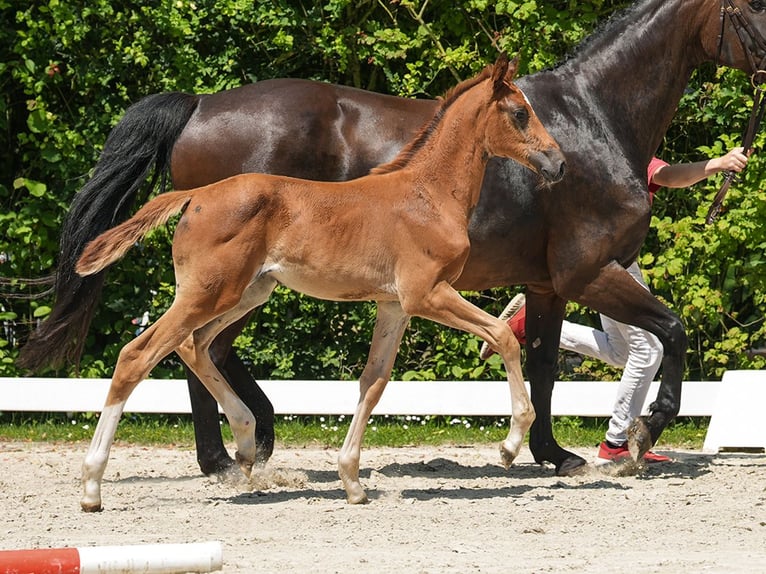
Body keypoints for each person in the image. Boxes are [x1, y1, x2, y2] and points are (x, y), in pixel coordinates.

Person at [479, 147, 751, 465]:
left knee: (623, 351)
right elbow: (666, 175)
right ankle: (617, 441)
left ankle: (524, 325)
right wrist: (718, 164)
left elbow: (664, 174)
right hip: (614, 265)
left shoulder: (607, 148)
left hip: (609, 258)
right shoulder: (623, 150)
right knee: (649, 349)